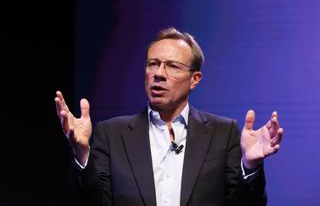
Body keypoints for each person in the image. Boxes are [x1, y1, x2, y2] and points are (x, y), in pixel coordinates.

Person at [55, 27, 283, 206]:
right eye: (153, 64)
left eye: (172, 66)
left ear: (195, 79)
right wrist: (82, 153)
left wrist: (251, 166)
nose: (159, 74)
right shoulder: (112, 134)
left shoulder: (223, 133)